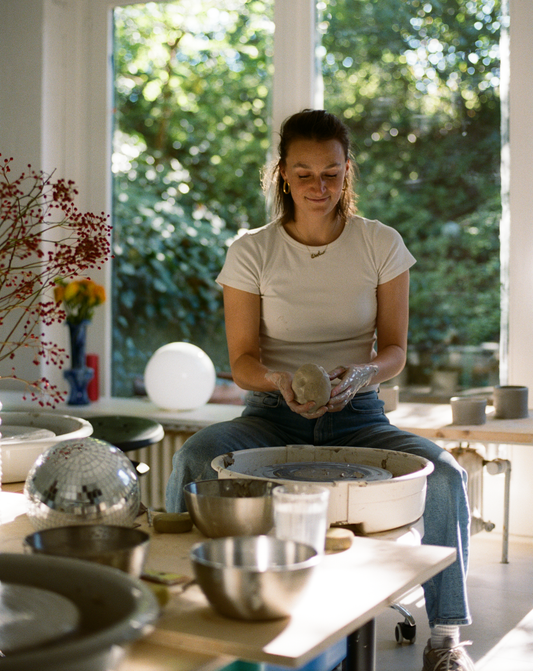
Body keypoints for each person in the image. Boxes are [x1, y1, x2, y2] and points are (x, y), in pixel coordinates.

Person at [166, 109, 473, 671]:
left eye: (331, 173)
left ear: (347, 170)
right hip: (270, 415)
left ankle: (446, 636)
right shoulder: (252, 252)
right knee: (194, 458)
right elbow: (242, 362)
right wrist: (280, 382)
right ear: (282, 173)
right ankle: (177, 604)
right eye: (304, 173)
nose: (319, 186)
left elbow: (395, 351)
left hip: (359, 415)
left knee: (446, 475)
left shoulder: (381, 243)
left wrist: (361, 375)